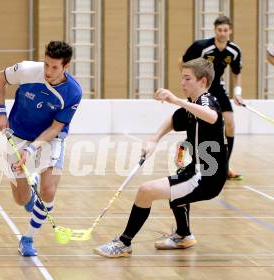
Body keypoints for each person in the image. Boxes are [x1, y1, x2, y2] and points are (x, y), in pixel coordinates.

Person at [94, 58, 227, 258]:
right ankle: (184, 235)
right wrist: (154, 141)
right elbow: (174, 120)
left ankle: (124, 243)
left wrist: (176, 100)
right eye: (181, 78)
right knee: (176, 194)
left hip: (206, 177)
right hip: (197, 170)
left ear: (203, 81)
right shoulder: (192, 105)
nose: (182, 83)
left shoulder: (205, 100)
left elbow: (212, 116)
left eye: (187, 78)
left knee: (146, 191)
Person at [0, 41, 82, 256]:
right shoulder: (26, 70)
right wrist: (0, 112)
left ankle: (27, 238)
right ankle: (29, 193)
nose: (48, 72)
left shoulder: (73, 92)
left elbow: (56, 128)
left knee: (48, 190)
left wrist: (31, 150)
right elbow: (0, 78)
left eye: (54, 67)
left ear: (65, 67)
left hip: (50, 139)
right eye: (46, 65)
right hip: (18, 135)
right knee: (21, 199)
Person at [180, 15, 243, 180]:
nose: (222, 33)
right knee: (194, 127)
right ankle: (189, 161)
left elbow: (236, 73)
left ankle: (225, 166)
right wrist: (187, 83)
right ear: (215, 30)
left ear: (230, 31)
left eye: (225, 30)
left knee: (230, 125)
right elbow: (183, 62)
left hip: (218, 88)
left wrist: (237, 93)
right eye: (219, 30)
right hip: (200, 89)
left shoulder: (234, 51)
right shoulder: (202, 47)